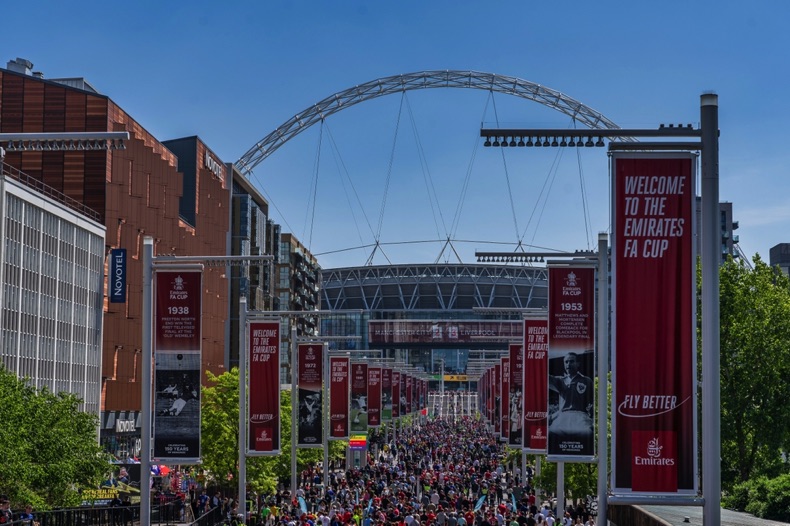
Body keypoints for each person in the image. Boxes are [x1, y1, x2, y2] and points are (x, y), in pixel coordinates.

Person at [548, 353, 593, 452]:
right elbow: (543, 376)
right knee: (550, 434)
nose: (568, 364)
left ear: (578, 364)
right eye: (566, 362)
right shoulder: (560, 380)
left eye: (571, 361)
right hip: (563, 417)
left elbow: (592, 402)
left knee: (588, 436)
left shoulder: (586, 380)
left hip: (581, 417)